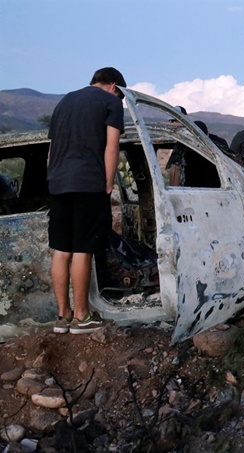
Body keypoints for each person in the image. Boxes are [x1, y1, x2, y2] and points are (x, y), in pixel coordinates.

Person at [47, 67, 126, 334]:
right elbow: (112, 146)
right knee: (83, 249)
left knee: (61, 250)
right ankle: (82, 317)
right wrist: (108, 182)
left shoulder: (65, 101)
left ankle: (63, 316)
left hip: (58, 182)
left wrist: (54, 178)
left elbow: (51, 148)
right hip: (88, 182)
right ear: (114, 86)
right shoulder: (111, 102)